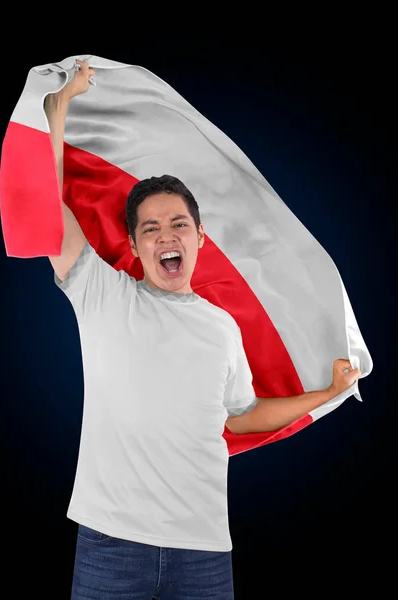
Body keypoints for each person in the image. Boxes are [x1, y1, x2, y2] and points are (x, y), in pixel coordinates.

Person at [43, 59, 361, 600]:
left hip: (205, 552)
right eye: (151, 227)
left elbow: (241, 417)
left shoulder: (222, 328)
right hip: (111, 546)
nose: (166, 235)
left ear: (199, 237)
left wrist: (327, 392)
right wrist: (59, 110)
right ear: (137, 244)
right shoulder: (102, 295)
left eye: (178, 224)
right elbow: (50, 217)